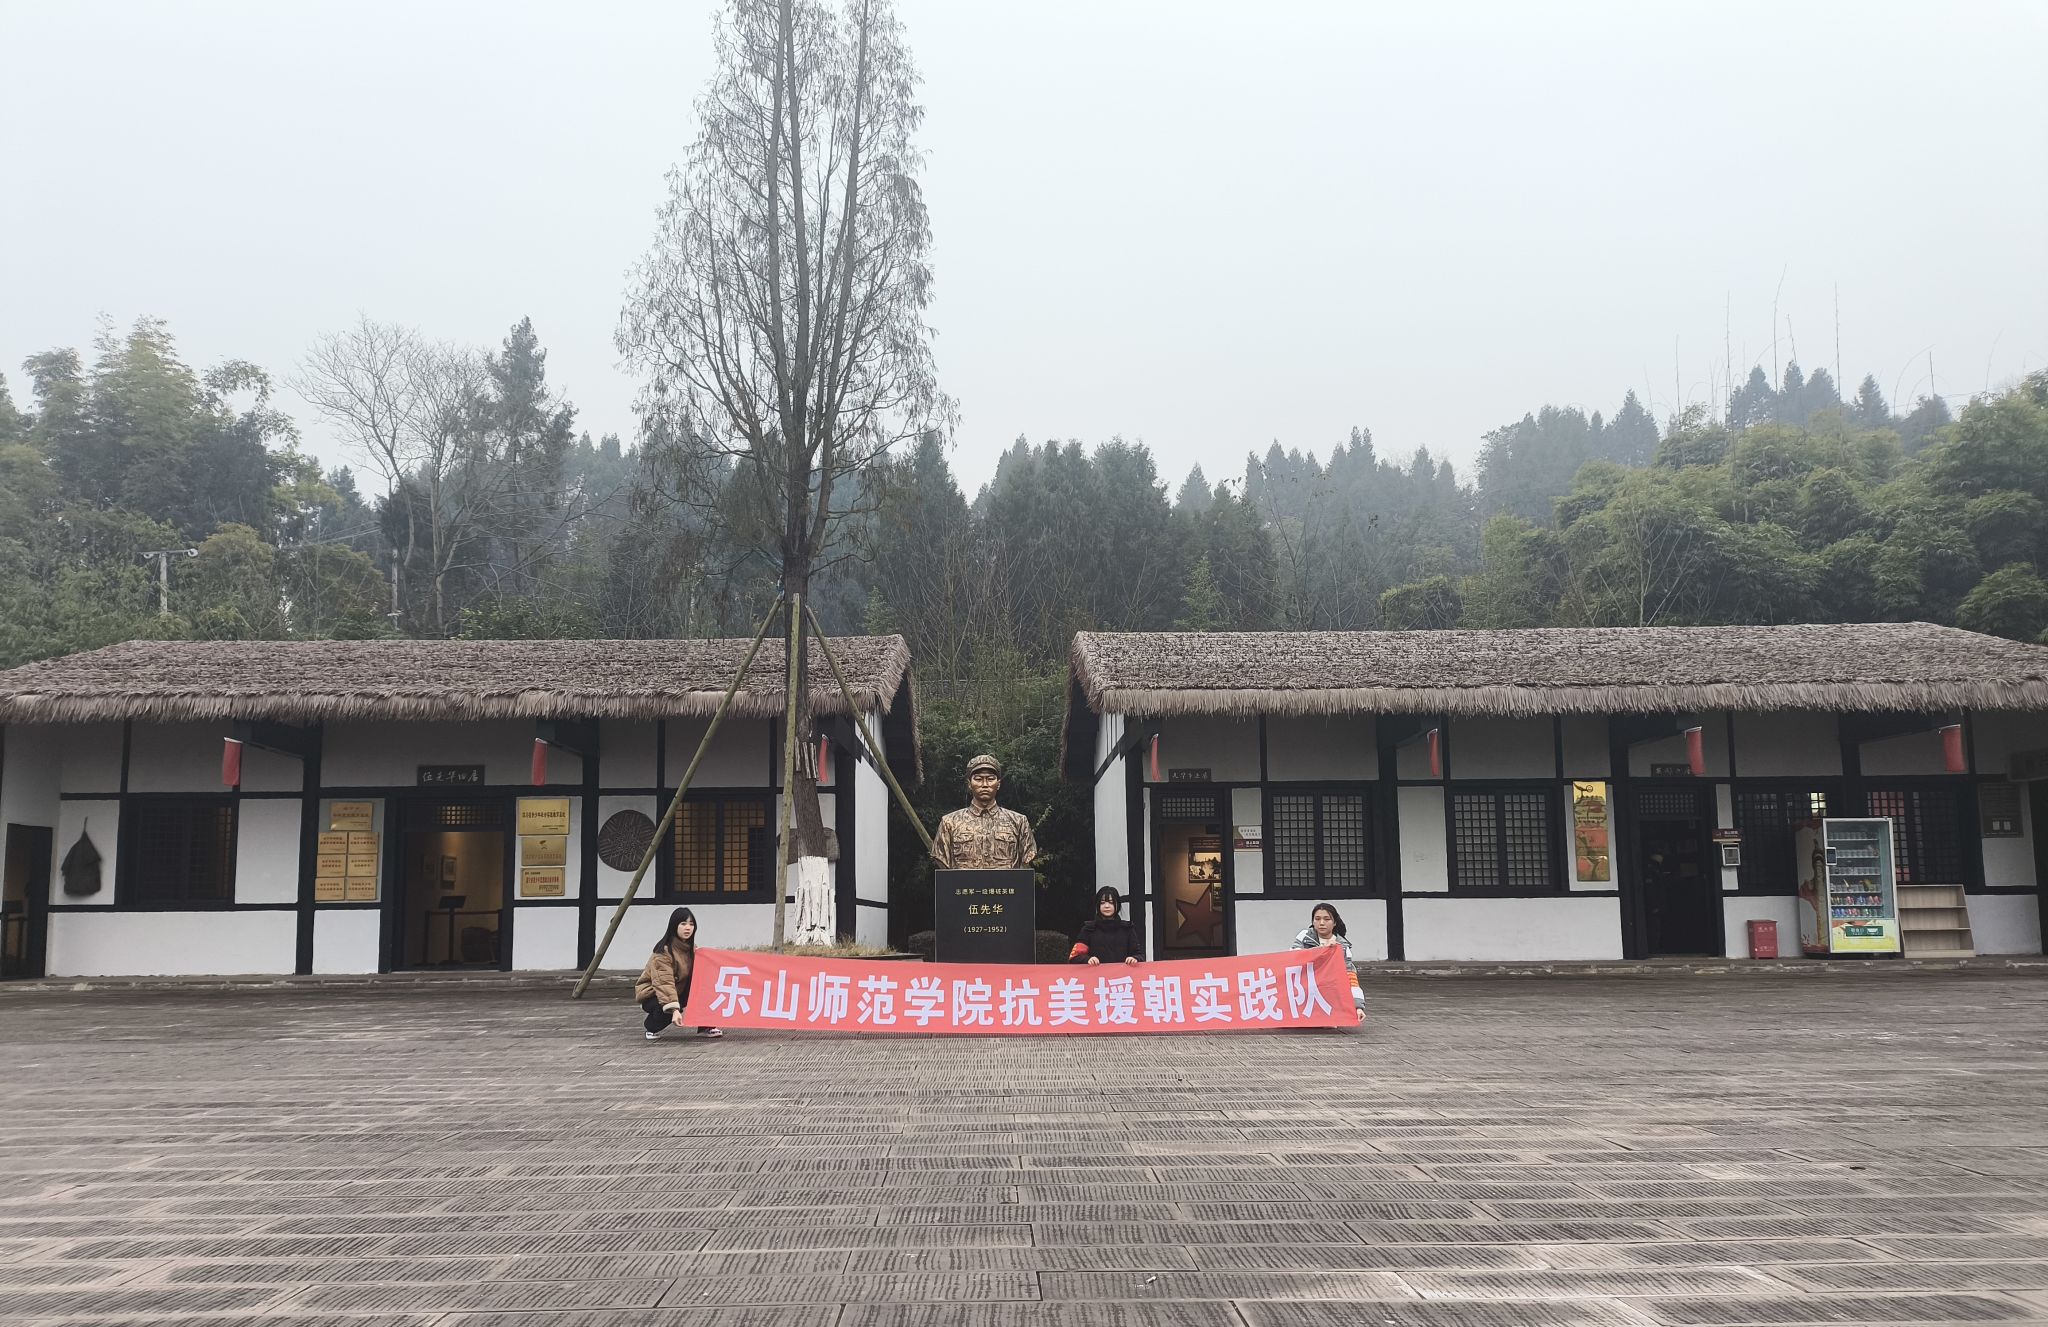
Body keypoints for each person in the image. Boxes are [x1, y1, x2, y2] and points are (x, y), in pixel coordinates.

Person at [931, 754, 1039, 870]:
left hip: (1006, 882)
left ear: (998, 784)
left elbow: (1028, 858)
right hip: (963, 882)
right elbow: (941, 860)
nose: (985, 785)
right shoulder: (949, 823)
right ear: (969, 784)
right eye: (978, 779)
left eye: (990, 779)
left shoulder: (1018, 822)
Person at [636, 907, 721, 1040]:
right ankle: (650, 1026)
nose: (688, 928)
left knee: (706, 988)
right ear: (674, 926)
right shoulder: (663, 953)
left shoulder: (692, 949)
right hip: (653, 993)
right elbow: (664, 983)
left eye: (691, 924)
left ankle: (706, 1026)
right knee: (667, 1011)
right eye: (683, 924)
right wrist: (675, 1010)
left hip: (678, 990)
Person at [1292, 903, 1366, 1014]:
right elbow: (1293, 958)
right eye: (1317, 919)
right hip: (1304, 991)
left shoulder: (1342, 947)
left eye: (1327, 919)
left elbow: (1350, 977)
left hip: (1329, 994)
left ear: (1334, 922)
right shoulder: (1304, 936)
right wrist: (1321, 951)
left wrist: (1358, 1007)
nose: (1321, 923)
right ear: (1313, 922)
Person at [1069, 886, 1142, 965]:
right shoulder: (1088, 929)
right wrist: (1087, 959)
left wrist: (1134, 959)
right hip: (1095, 973)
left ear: (1117, 904)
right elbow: (1075, 957)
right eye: (1102, 902)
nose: (1107, 906)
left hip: (1122, 973)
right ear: (1097, 905)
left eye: (1111, 902)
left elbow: (1139, 955)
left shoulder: (1127, 929)